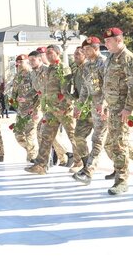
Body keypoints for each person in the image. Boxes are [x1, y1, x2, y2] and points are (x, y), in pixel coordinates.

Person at [97, 27, 133, 195]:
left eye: (109, 41)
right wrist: (103, 104)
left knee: (119, 144)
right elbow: (106, 83)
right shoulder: (111, 58)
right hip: (112, 106)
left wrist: (128, 108)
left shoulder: (128, 58)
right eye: (105, 41)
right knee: (112, 143)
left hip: (122, 107)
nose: (106, 44)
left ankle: (122, 180)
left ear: (119, 40)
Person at [25, 45, 78, 174]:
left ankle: (79, 162)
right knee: (46, 136)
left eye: (50, 53)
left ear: (58, 53)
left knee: (73, 136)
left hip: (63, 109)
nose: (48, 55)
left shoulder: (62, 67)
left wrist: (62, 105)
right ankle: (41, 165)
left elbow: (65, 90)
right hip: (51, 109)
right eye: (47, 53)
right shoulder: (49, 69)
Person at [72, 37, 110, 185]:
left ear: (96, 48)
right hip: (95, 108)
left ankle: (88, 171)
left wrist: (103, 103)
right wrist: (79, 106)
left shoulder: (104, 63)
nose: (85, 52)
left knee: (98, 139)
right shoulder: (87, 66)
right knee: (113, 142)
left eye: (87, 50)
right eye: (83, 50)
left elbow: (108, 86)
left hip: (106, 108)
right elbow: (86, 90)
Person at [10, 54, 40, 162]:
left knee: (30, 135)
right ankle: (33, 153)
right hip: (21, 110)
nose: (18, 64)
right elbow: (14, 92)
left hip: (31, 109)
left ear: (27, 61)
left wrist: (35, 109)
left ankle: (33, 158)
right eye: (17, 62)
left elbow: (39, 93)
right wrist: (14, 100)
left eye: (21, 61)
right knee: (18, 135)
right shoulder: (17, 76)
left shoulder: (33, 75)